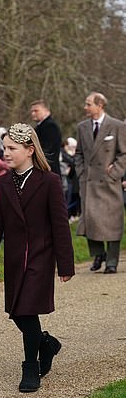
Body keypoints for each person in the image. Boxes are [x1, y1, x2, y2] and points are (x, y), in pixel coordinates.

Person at [0, 123, 74, 393]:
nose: (5, 153)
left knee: (26, 310)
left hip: (40, 258)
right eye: (4, 148)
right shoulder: (2, 184)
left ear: (29, 150)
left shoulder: (49, 181)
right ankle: (47, 344)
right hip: (14, 260)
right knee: (17, 312)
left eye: (12, 148)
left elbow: (60, 225)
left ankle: (30, 368)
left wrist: (65, 264)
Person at [74, 92, 126, 274]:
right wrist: (81, 173)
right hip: (89, 182)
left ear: (100, 105)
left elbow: (124, 153)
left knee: (113, 222)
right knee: (91, 220)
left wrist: (115, 172)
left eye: (88, 104)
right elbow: (79, 153)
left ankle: (111, 261)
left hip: (109, 183)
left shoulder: (117, 125)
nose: (85, 107)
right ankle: (98, 254)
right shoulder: (81, 127)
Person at [30, 100, 62, 176]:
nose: (33, 113)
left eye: (36, 111)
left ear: (46, 110)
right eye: (32, 111)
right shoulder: (41, 127)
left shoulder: (50, 126)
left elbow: (47, 150)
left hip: (48, 170)